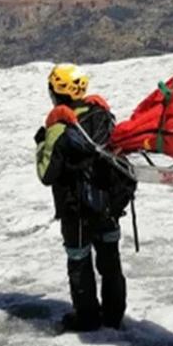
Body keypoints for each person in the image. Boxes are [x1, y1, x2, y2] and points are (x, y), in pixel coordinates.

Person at [35, 63, 127, 332]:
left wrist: (42, 142)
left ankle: (87, 319)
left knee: (79, 261)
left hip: (75, 210)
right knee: (110, 260)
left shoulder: (59, 127)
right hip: (108, 204)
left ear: (56, 92)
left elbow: (46, 174)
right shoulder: (103, 115)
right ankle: (114, 316)